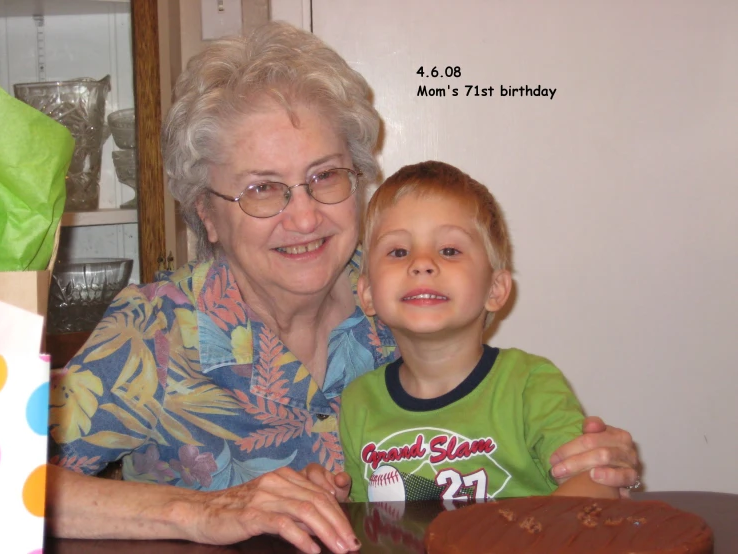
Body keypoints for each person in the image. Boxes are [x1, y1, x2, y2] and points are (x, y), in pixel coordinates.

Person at [45, 21, 639, 554]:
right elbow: (7, 483)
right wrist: (200, 512)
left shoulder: (403, 303)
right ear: (207, 213)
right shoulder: (154, 331)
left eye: (325, 176)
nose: (303, 219)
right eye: (261, 188)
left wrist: (593, 466)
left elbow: (507, 446)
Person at [340, 160, 621, 503]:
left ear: (496, 290)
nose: (422, 263)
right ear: (367, 293)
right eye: (398, 251)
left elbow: (596, 484)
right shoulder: (358, 402)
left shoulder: (529, 384)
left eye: (449, 250)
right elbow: (363, 524)